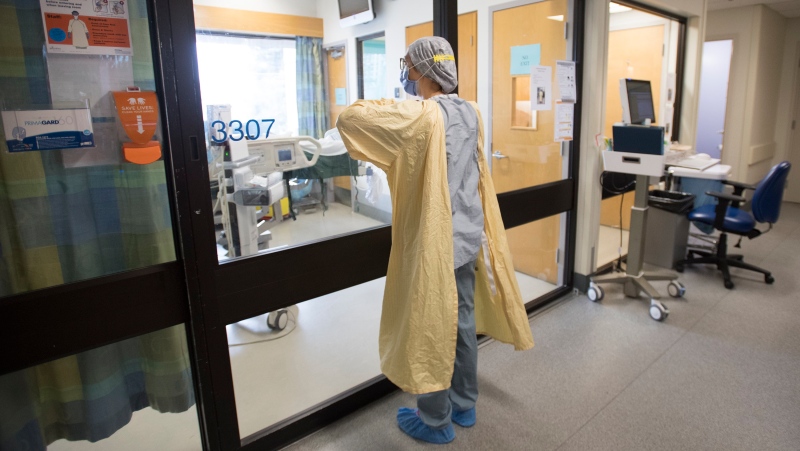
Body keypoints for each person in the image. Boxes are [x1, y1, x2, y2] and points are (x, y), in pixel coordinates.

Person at [337, 36, 534, 445]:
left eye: (408, 65)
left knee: (431, 325)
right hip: (466, 239)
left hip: (433, 244)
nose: (406, 73)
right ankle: (464, 402)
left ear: (422, 71)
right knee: (460, 323)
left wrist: (390, 105)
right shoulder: (471, 110)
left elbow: (349, 120)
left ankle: (433, 419)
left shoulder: (421, 116)